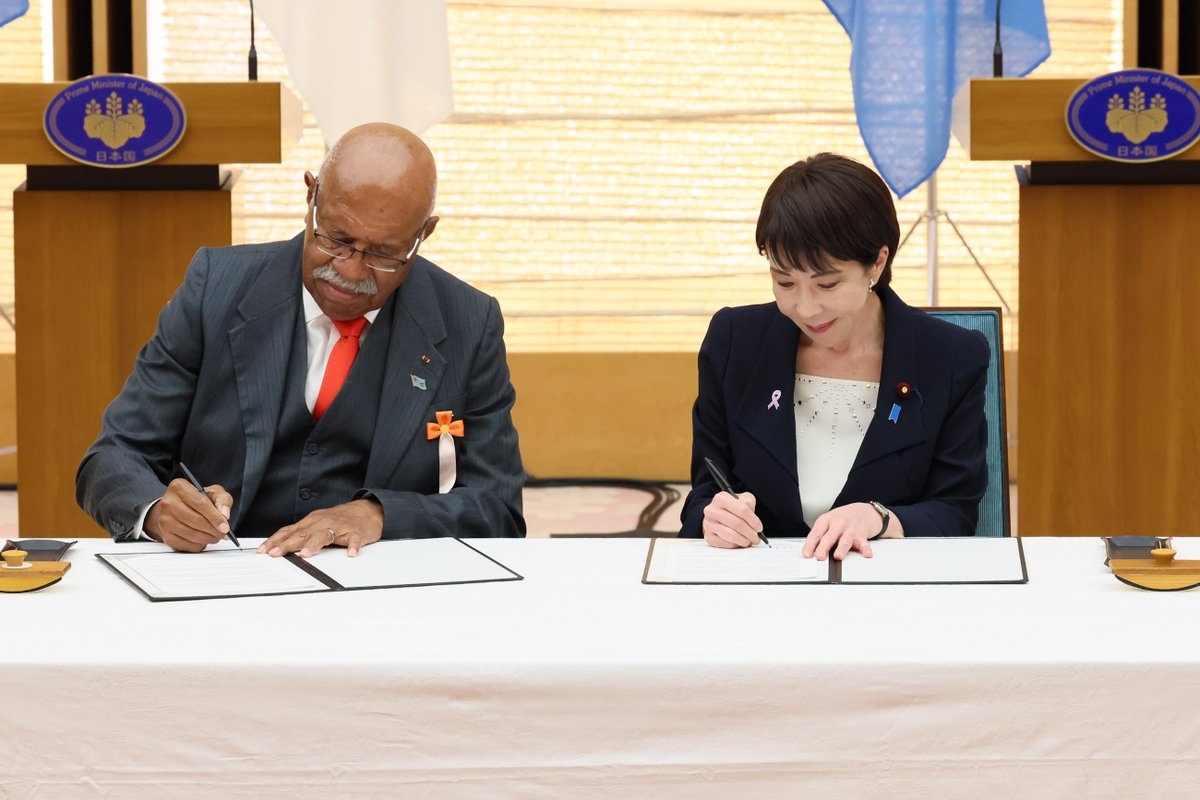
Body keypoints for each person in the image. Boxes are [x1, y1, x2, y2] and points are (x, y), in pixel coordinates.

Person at [77, 123, 525, 556]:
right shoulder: (216, 287)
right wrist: (158, 512)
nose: (350, 270)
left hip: (376, 582)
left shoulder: (468, 321)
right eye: (336, 238)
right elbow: (114, 456)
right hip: (226, 569)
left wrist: (381, 515)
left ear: (423, 234)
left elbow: (499, 509)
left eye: (384, 254)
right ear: (311, 196)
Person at [679, 153, 988, 560]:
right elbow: (704, 494)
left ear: (877, 263)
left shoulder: (950, 357)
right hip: (761, 580)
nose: (805, 308)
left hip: (888, 582)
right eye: (784, 282)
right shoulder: (735, 341)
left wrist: (880, 518)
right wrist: (715, 517)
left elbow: (955, 513)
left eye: (827, 285)